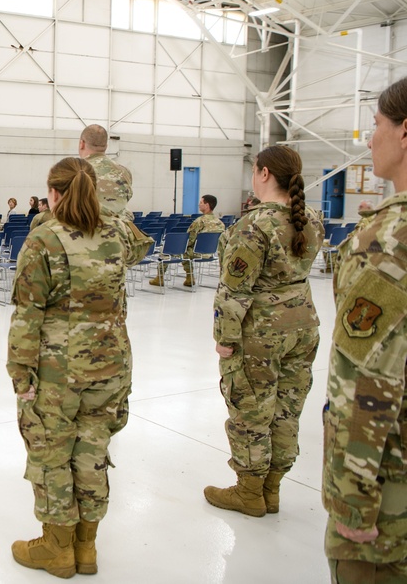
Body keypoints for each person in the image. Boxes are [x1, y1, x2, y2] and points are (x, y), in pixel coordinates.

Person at [8, 157, 148, 578]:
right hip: (111, 362)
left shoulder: (44, 239)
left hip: (58, 367)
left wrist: (20, 373)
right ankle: (86, 548)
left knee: (52, 451)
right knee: (92, 451)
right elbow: (139, 247)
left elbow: (27, 314)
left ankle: (57, 547)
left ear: (54, 193)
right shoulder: (116, 234)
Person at [204, 145, 324, 518]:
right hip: (302, 326)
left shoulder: (253, 226)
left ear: (265, 173)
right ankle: (272, 489)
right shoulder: (311, 220)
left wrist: (225, 338)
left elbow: (235, 289)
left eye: (254, 170)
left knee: (251, 409)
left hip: (261, 332)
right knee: (287, 410)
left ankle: (250, 491)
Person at [322, 77, 407, 581]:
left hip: (390, 488)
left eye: (377, 125)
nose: (369, 138)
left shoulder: (388, 241)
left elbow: (363, 381)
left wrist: (352, 501)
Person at [150, 194, 226, 287]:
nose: (199, 204)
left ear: (207, 205)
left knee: (166, 250)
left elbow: (189, 240)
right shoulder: (220, 223)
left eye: (201, 202)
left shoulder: (199, 221)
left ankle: (160, 278)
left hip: (197, 253)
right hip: (211, 253)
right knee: (187, 250)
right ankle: (189, 278)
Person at [79, 124, 133, 223]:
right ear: (106, 146)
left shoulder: (75, 171)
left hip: (89, 232)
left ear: (81, 144)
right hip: (121, 233)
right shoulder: (124, 171)